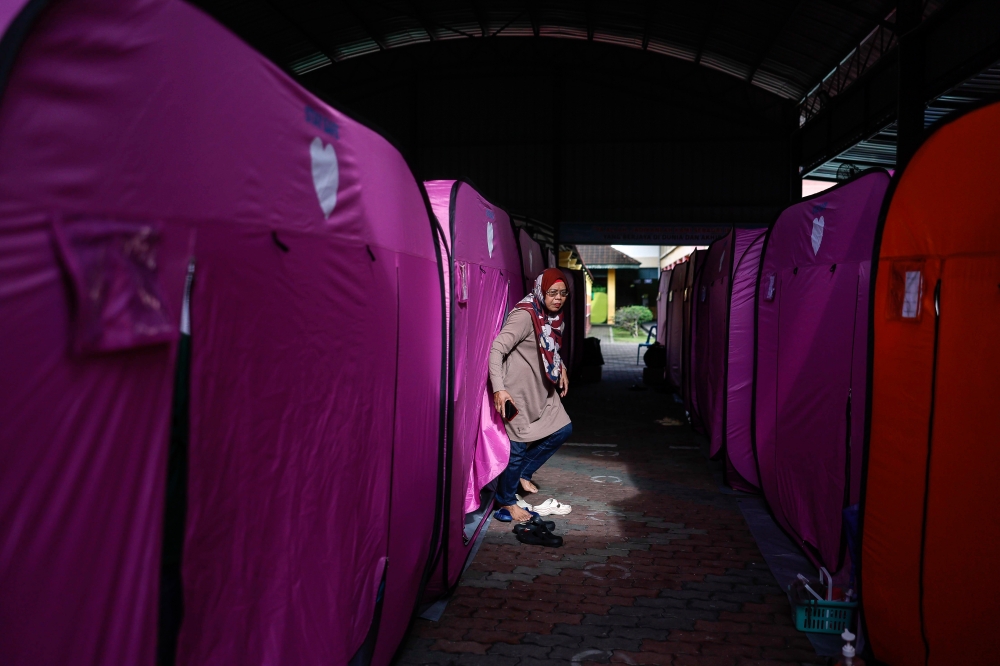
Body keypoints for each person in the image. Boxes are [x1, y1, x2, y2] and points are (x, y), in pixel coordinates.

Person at [489, 267, 573, 522]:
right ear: (540, 291)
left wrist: (562, 368)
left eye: (563, 293)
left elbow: (549, 350)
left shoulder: (554, 319)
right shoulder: (525, 316)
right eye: (552, 292)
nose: (558, 298)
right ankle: (505, 502)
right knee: (516, 449)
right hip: (518, 394)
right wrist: (499, 389)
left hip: (543, 390)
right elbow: (496, 349)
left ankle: (523, 474)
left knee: (562, 429)